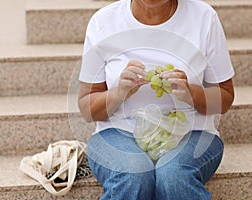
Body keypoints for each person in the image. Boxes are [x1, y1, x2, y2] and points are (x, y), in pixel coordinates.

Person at [78, 0, 235, 199]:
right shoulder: (104, 22)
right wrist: (118, 94)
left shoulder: (204, 17)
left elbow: (225, 97)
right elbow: (86, 107)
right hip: (117, 133)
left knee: (173, 175)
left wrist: (191, 93)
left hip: (191, 134)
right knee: (134, 173)